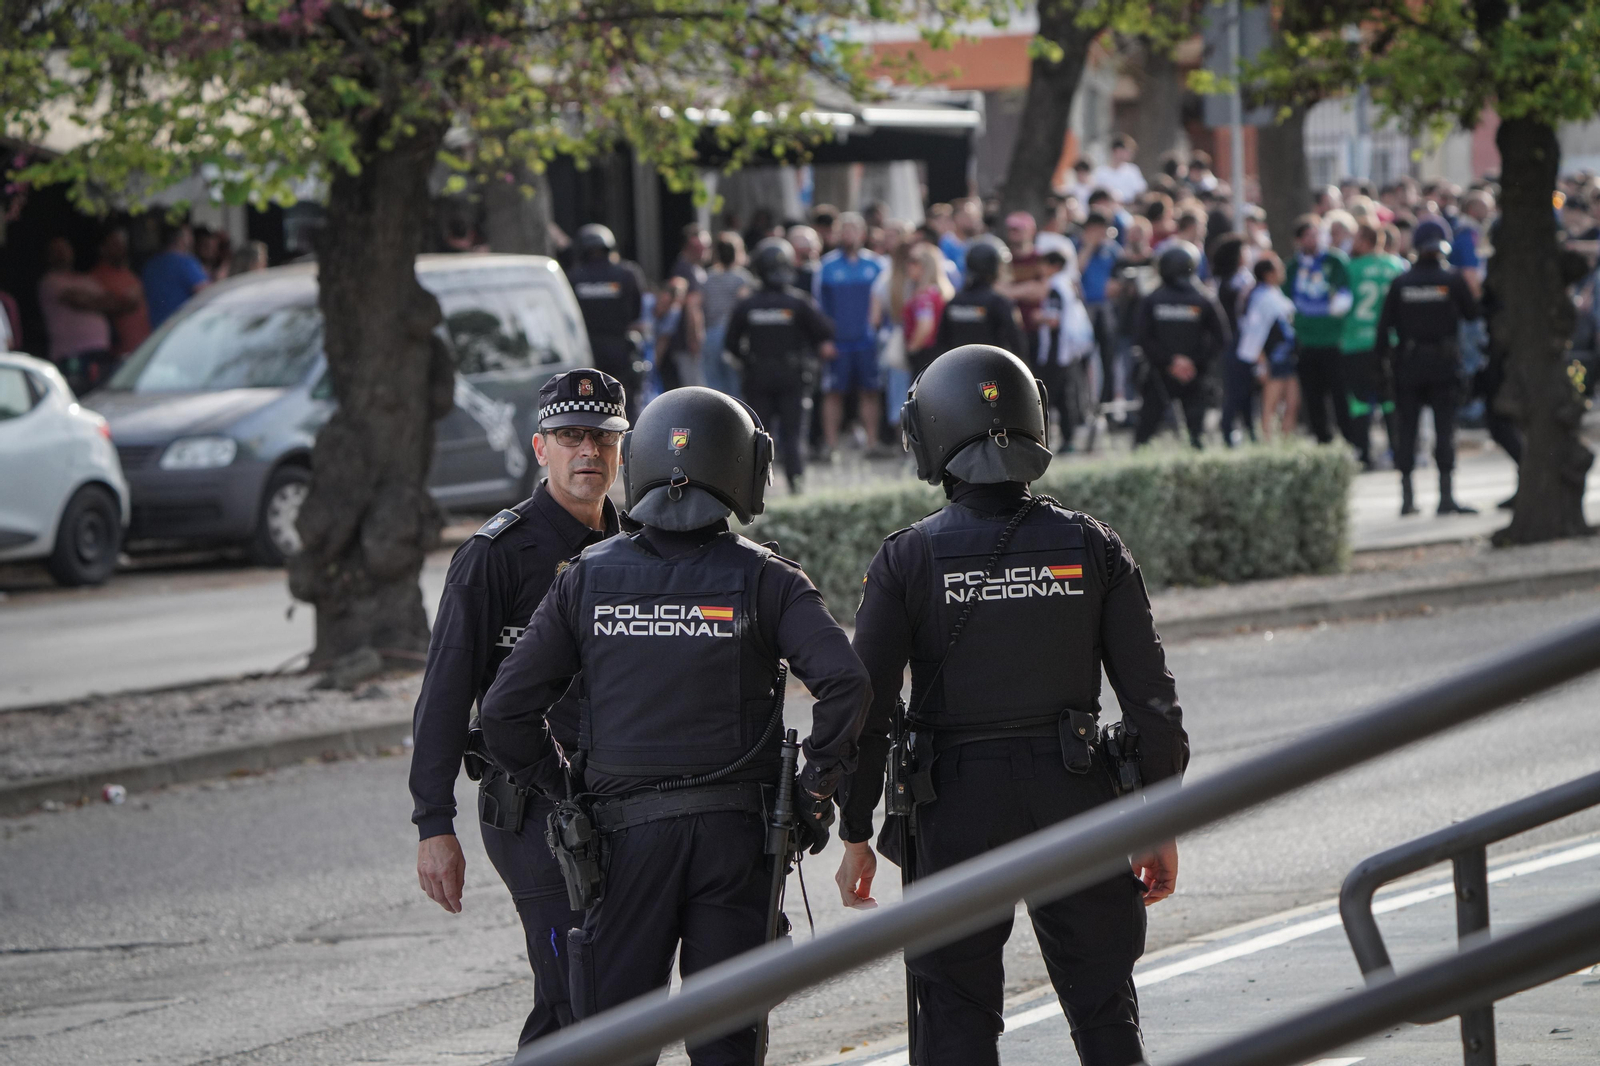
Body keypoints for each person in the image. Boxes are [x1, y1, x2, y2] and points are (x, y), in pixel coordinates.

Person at [478, 386, 871, 1066]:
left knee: (618, 1043)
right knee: (726, 1045)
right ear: (745, 469)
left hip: (622, 842)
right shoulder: (769, 578)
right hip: (737, 843)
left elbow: (505, 713)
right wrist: (813, 789)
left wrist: (566, 790)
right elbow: (847, 683)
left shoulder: (584, 579)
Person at [837, 344, 1187, 1066]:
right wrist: (1159, 819)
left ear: (930, 434)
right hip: (1076, 793)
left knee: (956, 1022)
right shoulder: (1093, 546)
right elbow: (1152, 701)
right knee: (1105, 1010)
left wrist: (856, 829)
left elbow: (865, 709)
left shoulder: (907, 558)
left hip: (952, 806)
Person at [411, 369, 628, 1048]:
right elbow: (445, 695)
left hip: (622, 797)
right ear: (541, 448)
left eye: (603, 437)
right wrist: (433, 824)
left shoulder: (639, 546)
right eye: (570, 437)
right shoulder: (494, 556)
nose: (588, 451)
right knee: (575, 996)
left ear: (621, 450)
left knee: (612, 996)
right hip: (533, 809)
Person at [1376, 220, 1482, 517]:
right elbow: (1472, 314)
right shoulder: (1452, 280)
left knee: (1406, 432)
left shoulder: (1401, 283)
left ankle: (1407, 499)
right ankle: (1446, 498)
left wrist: (1380, 370)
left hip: (1408, 366)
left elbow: (1383, 330)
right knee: (1444, 431)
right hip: (1443, 367)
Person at [724, 238, 834, 494]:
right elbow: (824, 332)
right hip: (791, 377)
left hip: (757, 376)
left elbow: (730, 344)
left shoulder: (748, 304)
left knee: (757, 436)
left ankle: (754, 491)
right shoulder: (798, 302)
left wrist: (749, 361)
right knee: (793, 435)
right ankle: (796, 487)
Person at [1131, 242, 1230, 449]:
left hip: (1161, 372)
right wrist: (1193, 362)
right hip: (1194, 373)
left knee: (1144, 436)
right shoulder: (1204, 299)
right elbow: (1222, 339)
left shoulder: (1152, 299)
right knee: (1196, 437)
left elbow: (1142, 338)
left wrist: (1171, 362)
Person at [814, 211, 887, 457]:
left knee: (870, 391)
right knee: (833, 393)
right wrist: (824, 339)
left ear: (863, 234)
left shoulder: (876, 265)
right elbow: (819, 307)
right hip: (838, 342)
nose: (849, 235)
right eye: (844, 230)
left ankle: (872, 443)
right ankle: (831, 446)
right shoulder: (826, 266)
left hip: (868, 342)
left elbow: (885, 305)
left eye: (854, 229)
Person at [1283, 215, 1360, 449]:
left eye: (1316, 234)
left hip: (1334, 340)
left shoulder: (1335, 261)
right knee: (1313, 397)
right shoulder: (1293, 267)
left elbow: (1346, 295)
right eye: (1308, 236)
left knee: (1341, 395)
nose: (1313, 240)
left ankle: (1351, 442)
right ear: (1298, 240)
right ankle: (1322, 442)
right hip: (1306, 341)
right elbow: (1287, 302)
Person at [1340, 225, 1408, 467]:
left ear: (1364, 241)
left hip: (1356, 342)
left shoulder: (1351, 268)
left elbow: (1340, 305)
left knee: (1359, 402)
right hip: (1389, 341)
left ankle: (1364, 455)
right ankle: (1398, 453)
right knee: (1390, 399)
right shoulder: (1396, 266)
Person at [567, 224, 648, 421]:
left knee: (590, 405)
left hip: (587, 350)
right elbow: (637, 312)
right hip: (620, 349)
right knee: (625, 403)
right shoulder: (627, 274)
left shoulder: (573, 277)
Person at [39, 236, 126, 393]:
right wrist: (96, 301)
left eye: (64, 250)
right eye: (56, 251)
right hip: (71, 354)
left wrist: (89, 300)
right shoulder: (50, 281)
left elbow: (112, 301)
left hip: (100, 352)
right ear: (48, 256)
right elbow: (76, 301)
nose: (62, 254)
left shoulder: (86, 279)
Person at [1237, 255, 1300, 442]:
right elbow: (1254, 332)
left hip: (1288, 355)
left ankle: (1287, 441)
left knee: (1293, 401)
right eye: (1278, 268)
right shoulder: (1260, 297)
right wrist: (1261, 363)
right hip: (1273, 357)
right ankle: (1268, 441)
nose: (1282, 271)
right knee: (1270, 404)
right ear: (1268, 274)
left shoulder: (1275, 293)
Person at [1037, 248, 1095, 452]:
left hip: (1057, 351)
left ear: (1054, 266)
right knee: (1065, 396)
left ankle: (1043, 439)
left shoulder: (1055, 286)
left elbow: (1054, 320)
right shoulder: (1068, 284)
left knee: (1046, 396)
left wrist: (1036, 318)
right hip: (1069, 351)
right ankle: (1068, 439)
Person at [935, 238, 1027, 360]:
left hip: (958, 368)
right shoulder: (999, 303)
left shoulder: (954, 302)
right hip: (991, 369)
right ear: (994, 267)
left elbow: (941, 343)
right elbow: (1017, 343)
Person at [1211, 235, 1257, 446]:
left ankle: (1250, 430)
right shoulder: (1230, 283)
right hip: (1234, 343)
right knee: (1234, 389)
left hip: (1245, 342)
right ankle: (1228, 430)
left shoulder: (1242, 279)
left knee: (1247, 389)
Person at [700, 231, 754, 399]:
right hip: (733, 335)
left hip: (710, 334)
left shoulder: (708, 278)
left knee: (714, 387)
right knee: (735, 386)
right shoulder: (742, 279)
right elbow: (746, 307)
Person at [88, 227, 151, 360]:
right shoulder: (95, 277)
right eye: (115, 244)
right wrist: (127, 304)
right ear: (102, 248)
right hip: (120, 354)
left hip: (142, 348)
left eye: (123, 244)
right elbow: (103, 307)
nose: (121, 248)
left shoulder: (129, 274)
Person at [661, 224, 709, 390]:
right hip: (685, 342)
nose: (705, 250)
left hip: (687, 341)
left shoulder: (694, 269)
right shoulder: (685, 269)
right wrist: (694, 338)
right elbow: (691, 307)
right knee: (696, 390)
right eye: (701, 246)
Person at [141, 222, 210, 328]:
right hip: (182, 328)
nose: (191, 239)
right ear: (180, 239)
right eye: (189, 235)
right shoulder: (186, 263)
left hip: (158, 330)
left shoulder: (150, 265)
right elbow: (207, 293)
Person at [902, 242, 953, 379]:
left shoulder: (924, 296)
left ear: (925, 265)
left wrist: (912, 349)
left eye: (913, 261)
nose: (908, 265)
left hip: (925, 355)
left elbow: (925, 326)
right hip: (938, 354)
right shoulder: (939, 292)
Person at [1091, 135, 1149, 204]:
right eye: (1127, 151)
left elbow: (1141, 191)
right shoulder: (1100, 172)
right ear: (1117, 150)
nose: (1130, 154)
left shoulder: (1133, 170)